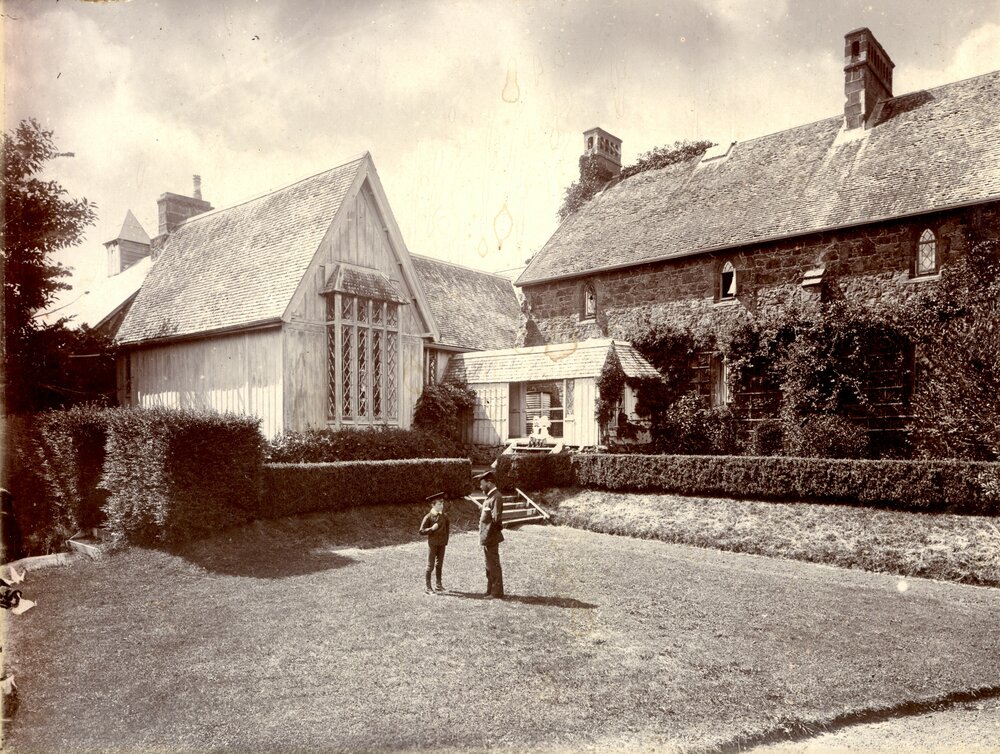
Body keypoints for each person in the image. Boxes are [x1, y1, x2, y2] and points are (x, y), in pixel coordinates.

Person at [475, 471, 504, 598]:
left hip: (491, 537)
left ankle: (496, 592)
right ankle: (490, 590)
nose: (480, 487)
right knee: (489, 565)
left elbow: (497, 519)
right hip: (487, 538)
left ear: (489, 483)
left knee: (493, 565)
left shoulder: (496, 497)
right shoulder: (490, 496)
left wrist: (491, 535)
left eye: (482, 484)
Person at [419, 493, 450, 595]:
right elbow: (421, 531)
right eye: (439, 504)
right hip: (433, 544)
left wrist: (445, 541)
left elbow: (447, 530)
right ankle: (428, 588)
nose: (441, 506)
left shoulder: (444, 516)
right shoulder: (428, 517)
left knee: (439, 565)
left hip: (442, 544)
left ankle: (438, 585)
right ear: (433, 505)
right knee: (430, 566)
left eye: (442, 504)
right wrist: (431, 529)